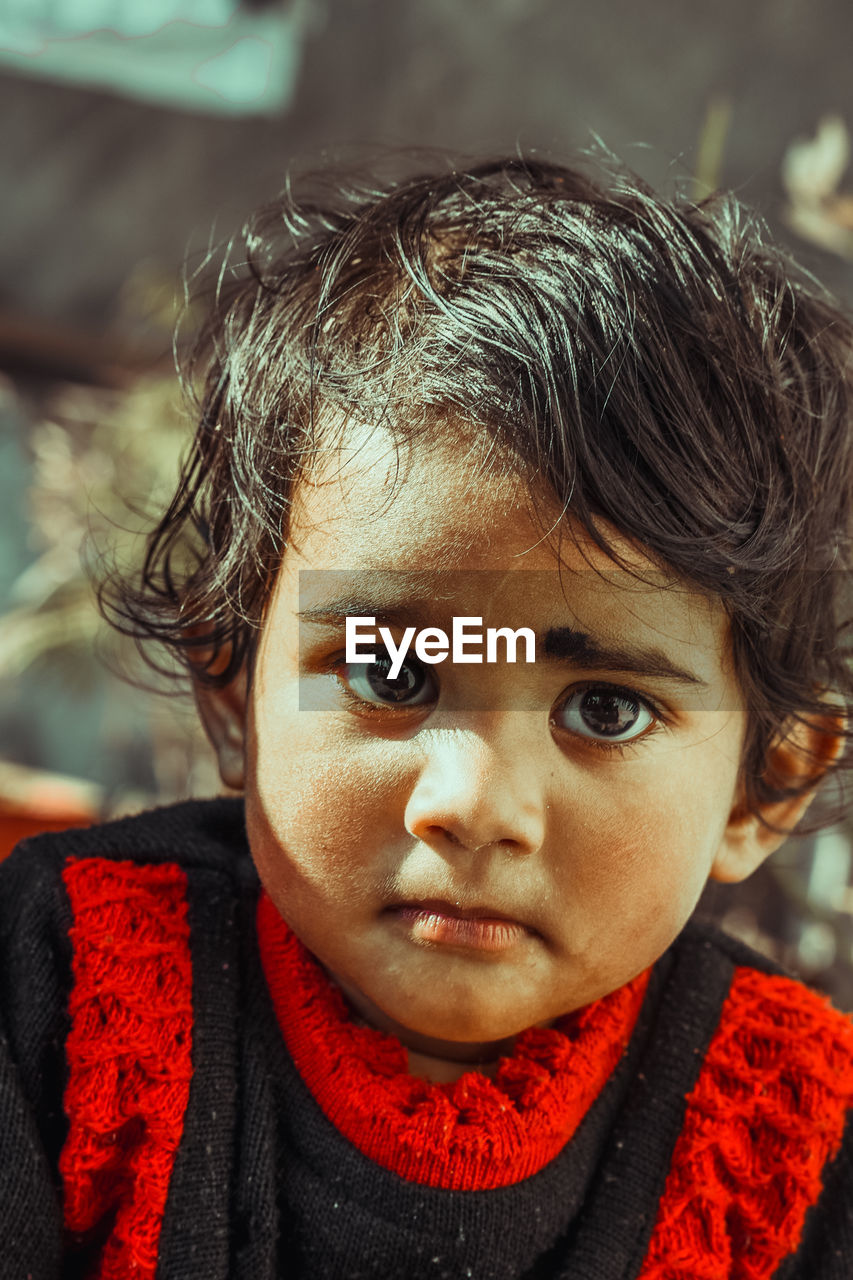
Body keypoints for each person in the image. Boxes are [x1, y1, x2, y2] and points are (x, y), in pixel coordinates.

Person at [3, 153, 853, 1280]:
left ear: (767, 783)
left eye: (603, 707)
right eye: (396, 675)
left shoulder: (799, 1132)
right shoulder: (59, 984)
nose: (471, 804)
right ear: (231, 691)